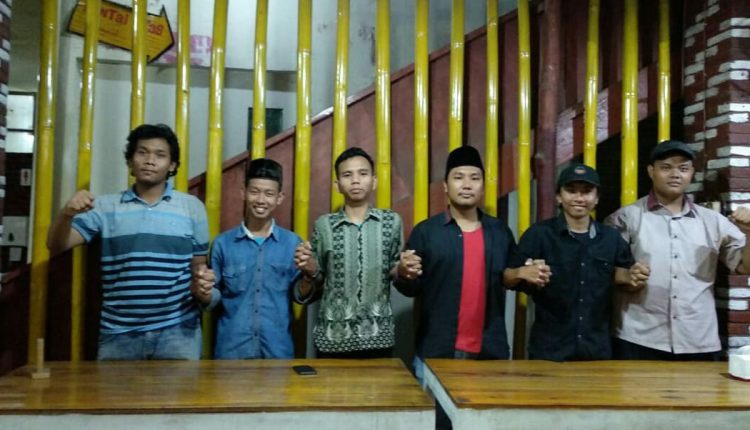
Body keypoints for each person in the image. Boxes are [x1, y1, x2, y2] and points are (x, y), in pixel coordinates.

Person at [394, 145, 542, 430]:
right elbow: (410, 288)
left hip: (489, 353)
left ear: (483, 185)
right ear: (446, 186)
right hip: (436, 352)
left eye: (474, 178)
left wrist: (528, 273)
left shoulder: (499, 232)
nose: (466, 184)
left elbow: (512, 278)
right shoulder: (427, 232)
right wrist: (404, 272)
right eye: (458, 177)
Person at [47, 123, 209, 360]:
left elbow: (199, 268)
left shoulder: (192, 207)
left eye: (160, 155)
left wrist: (204, 286)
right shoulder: (105, 207)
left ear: (172, 165)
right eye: (142, 152)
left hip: (178, 331)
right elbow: (57, 245)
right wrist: (66, 213)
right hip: (118, 333)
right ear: (130, 161)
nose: (150, 160)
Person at [605, 139, 750, 360]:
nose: (675, 174)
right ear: (651, 171)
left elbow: (743, 267)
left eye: (683, 168)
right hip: (639, 337)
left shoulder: (713, 221)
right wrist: (625, 276)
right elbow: (600, 270)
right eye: (666, 167)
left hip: (698, 339)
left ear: (691, 173)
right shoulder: (625, 218)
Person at [511, 163, 644, 361]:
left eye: (587, 191)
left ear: (596, 198)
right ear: (559, 196)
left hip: (597, 351)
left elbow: (627, 279)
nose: (579, 198)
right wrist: (521, 273)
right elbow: (508, 278)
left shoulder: (611, 239)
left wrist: (634, 277)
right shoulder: (539, 234)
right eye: (571, 191)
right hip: (548, 351)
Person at [191, 158, 308, 359]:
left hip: (278, 354)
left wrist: (311, 275)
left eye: (269, 193)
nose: (261, 200)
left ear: (279, 197)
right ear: (243, 192)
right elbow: (213, 298)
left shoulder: (293, 243)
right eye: (254, 192)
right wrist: (203, 291)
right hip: (231, 354)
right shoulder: (222, 244)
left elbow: (298, 294)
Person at [294, 147, 403, 358]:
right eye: (347, 175)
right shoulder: (324, 225)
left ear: (374, 181)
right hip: (332, 339)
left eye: (363, 173)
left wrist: (404, 268)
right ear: (337, 185)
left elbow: (394, 271)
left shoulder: (392, 222)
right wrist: (310, 270)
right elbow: (318, 279)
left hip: (378, 338)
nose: (355, 180)